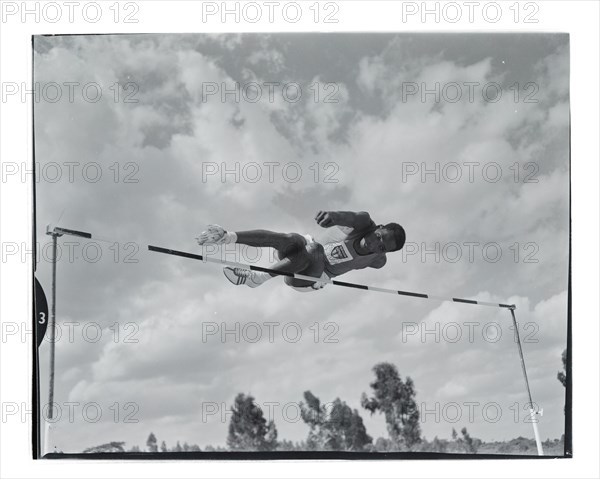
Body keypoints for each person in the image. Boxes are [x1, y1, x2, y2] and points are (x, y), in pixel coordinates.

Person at [196, 211, 406, 292]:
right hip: (300, 254)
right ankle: (227, 237)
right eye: (378, 237)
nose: (373, 244)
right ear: (378, 227)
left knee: (314, 250)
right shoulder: (363, 223)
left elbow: (374, 261)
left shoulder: (378, 260)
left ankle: (256, 278)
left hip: (312, 277)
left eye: (381, 247)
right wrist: (334, 216)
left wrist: (327, 278)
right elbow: (349, 218)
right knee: (292, 239)